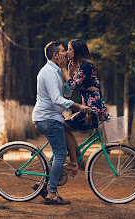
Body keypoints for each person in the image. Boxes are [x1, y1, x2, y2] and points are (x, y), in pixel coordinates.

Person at [32, 40, 90, 205]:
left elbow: (66, 93)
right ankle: (51, 194)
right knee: (60, 154)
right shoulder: (49, 72)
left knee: (60, 151)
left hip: (53, 117)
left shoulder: (56, 71)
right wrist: (79, 106)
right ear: (55, 55)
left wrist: (68, 74)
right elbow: (57, 99)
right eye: (63, 51)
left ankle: (42, 184)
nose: (66, 53)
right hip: (48, 118)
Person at [61, 39, 109, 177]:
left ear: (77, 51)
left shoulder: (87, 65)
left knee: (64, 126)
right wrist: (70, 71)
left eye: (69, 49)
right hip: (91, 108)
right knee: (66, 127)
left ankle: (75, 163)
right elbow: (74, 86)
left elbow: (73, 86)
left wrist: (64, 70)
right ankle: (78, 161)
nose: (67, 52)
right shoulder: (84, 66)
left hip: (92, 109)